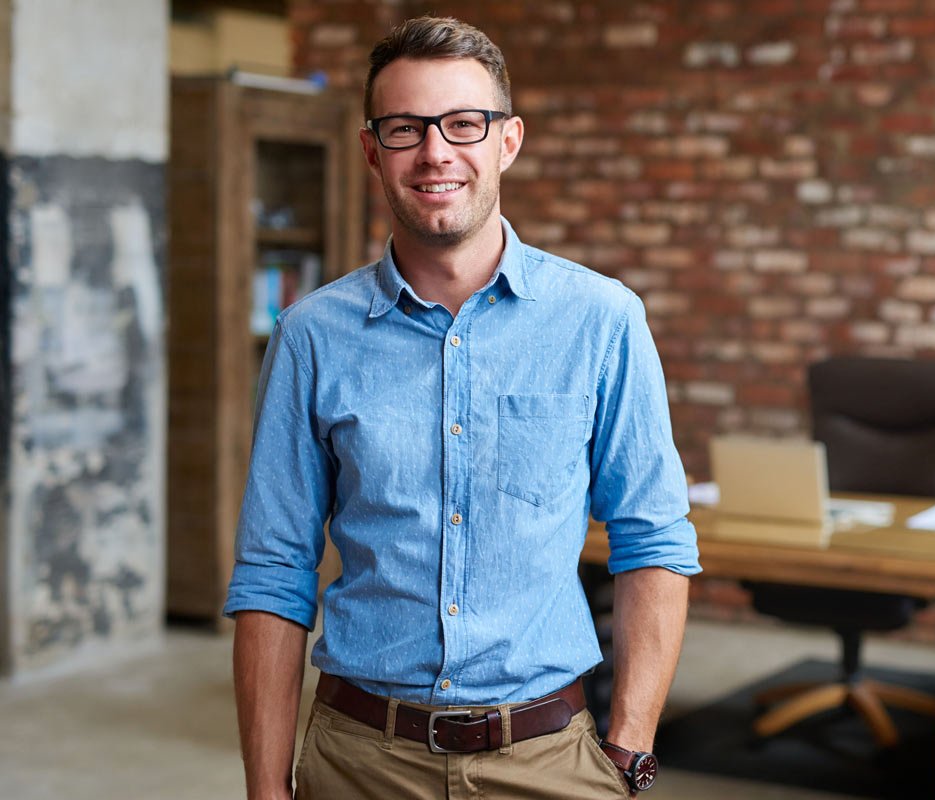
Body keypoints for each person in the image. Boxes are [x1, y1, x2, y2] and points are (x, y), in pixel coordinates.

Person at [224, 15, 701, 800]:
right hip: (357, 761)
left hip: (551, 760)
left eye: (463, 124)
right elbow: (275, 572)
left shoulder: (602, 320)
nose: (436, 152)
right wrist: (268, 790)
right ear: (373, 150)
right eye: (406, 128)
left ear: (506, 141)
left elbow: (653, 538)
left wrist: (629, 752)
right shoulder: (311, 336)